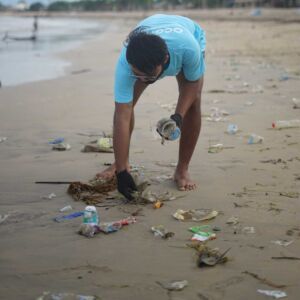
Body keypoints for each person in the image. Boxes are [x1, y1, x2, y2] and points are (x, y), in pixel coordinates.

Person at [97, 14, 206, 200]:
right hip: (148, 43)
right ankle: (120, 163)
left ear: (164, 60)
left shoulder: (188, 48)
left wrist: (178, 117)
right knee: (126, 107)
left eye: (147, 77)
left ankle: (182, 170)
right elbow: (122, 115)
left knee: (194, 105)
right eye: (137, 75)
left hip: (188, 35)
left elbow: (192, 85)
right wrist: (122, 173)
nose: (142, 81)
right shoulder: (126, 63)